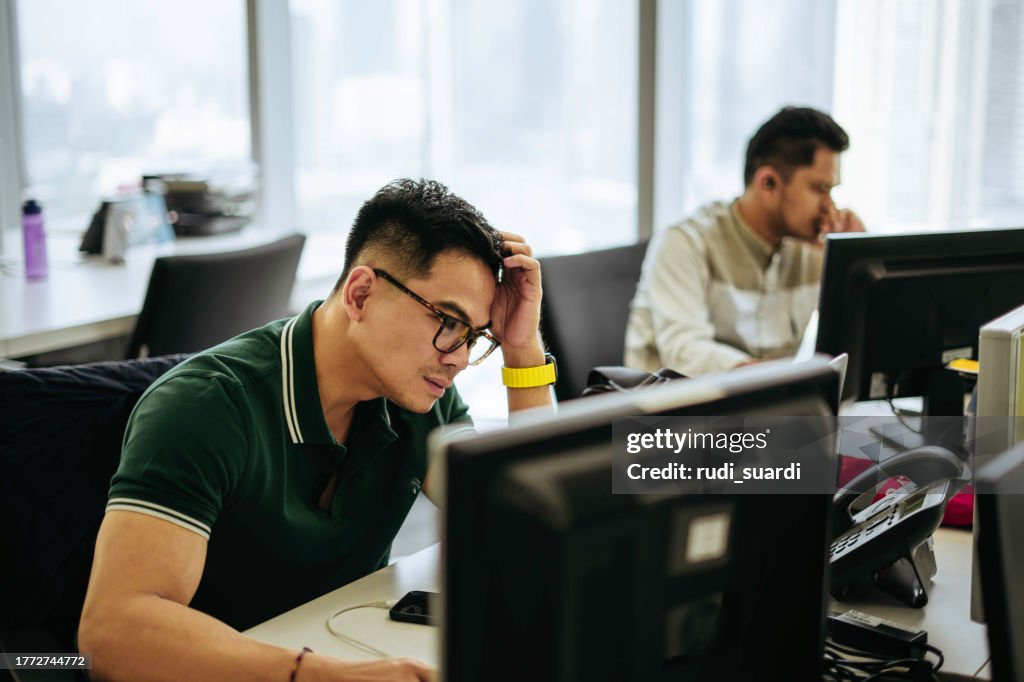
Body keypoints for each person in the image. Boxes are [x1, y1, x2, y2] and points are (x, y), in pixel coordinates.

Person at [78, 179, 555, 681]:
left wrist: (522, 349)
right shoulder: (202, 407)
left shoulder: (419, 396)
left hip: (336, 645)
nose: (458, 358)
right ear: (361, 294)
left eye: (475, 336)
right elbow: (113, 632)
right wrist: (326, 676)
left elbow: (524, 526)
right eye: (449, 322)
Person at [625, 106, 865, 377]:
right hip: (675, 401)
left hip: (764, 401)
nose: (829, 206)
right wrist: (773, 379)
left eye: (832, 190)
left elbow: (856, 344)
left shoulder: (813, 248)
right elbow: (684, 352)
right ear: (768, 183)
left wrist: (851, 263)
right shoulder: (685, 242)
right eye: (820, 189)